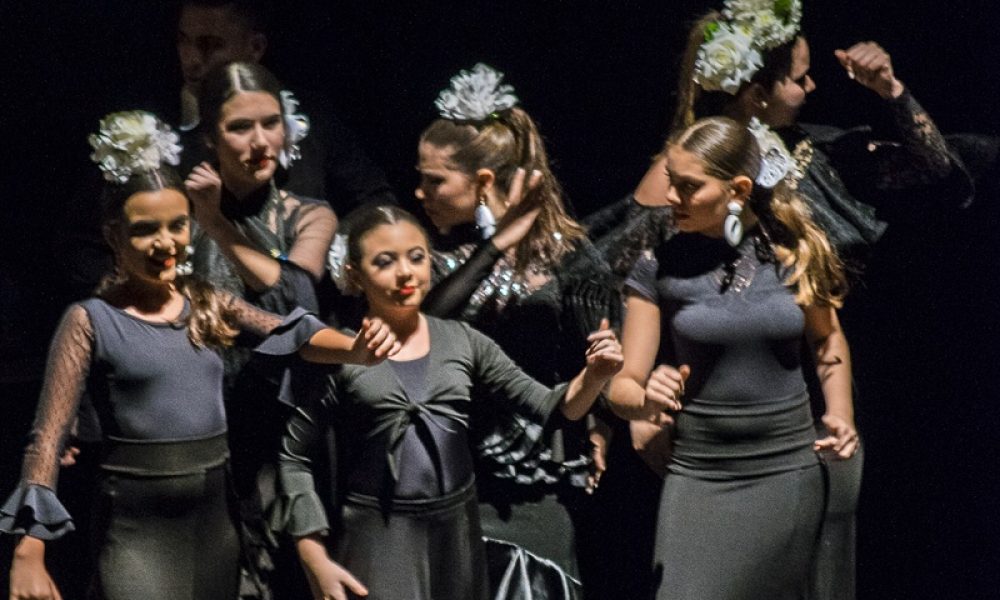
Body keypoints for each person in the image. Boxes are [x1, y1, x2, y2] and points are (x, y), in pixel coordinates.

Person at [0, 111, 399, 600]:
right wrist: (29, 549)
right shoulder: (89, 320)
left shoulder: (205, 302)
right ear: (113, 237)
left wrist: (356, 349)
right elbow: (48, 438)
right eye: (146, 229)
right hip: (136, 532)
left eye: (177, 225)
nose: (165, 242)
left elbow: (290, 332)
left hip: (214, 527)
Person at [272, 205, 623, 600]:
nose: (405, 272)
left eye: (416, 257)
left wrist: (595, 375)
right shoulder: (344, 354)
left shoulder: (462, 341)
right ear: (354, 274)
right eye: (385, 261)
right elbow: (293, 457)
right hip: (381, 535)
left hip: (455, 535)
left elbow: (556, 410)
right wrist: (313, 555)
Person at [607, 116, 859, 600]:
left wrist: (840, 413)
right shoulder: (656, 266)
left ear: (737, 188)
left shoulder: (793, 254)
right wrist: (643, 400)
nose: (672, 198)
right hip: (701, 473)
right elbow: (624, 385)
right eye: (670, 183)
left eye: (688, 186)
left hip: (788, 469)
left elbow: (828, 343)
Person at [410, 63, 621, 591]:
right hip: (449, 467)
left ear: (482, 183)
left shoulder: (568, 257)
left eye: (434, 180)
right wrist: (496, 245)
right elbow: (426, 325)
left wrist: (601, 426)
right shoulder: (428, 256)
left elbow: (594, 357)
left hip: (535, 470)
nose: (420, 192)